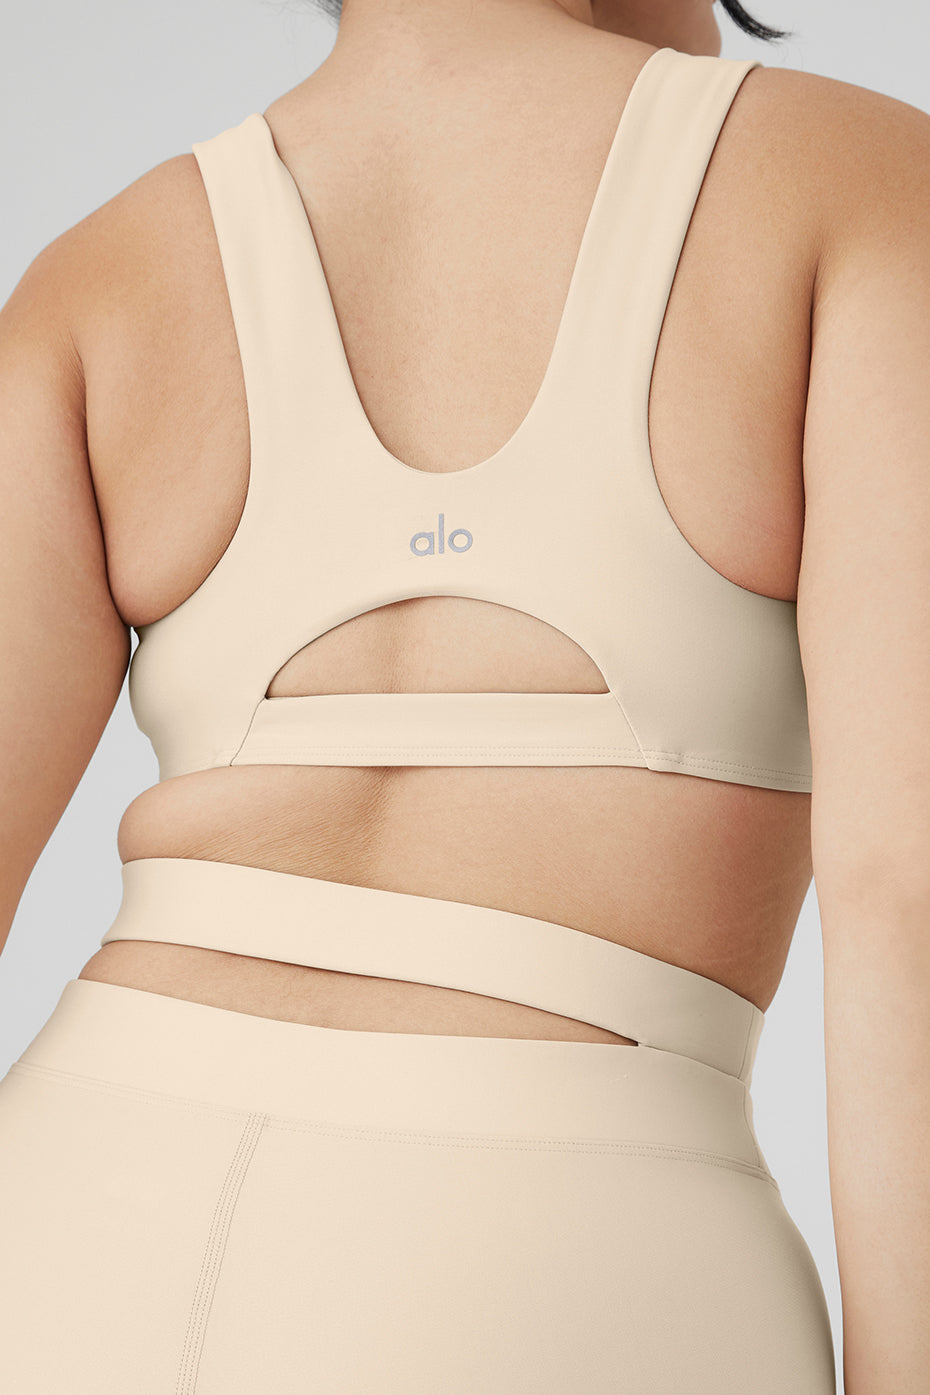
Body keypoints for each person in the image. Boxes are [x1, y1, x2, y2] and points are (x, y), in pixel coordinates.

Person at [0, 0, 927, 1389]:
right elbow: (905, 892)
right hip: (559, 1257)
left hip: (66, 1219)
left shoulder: (100, 277)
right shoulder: (851, 183)